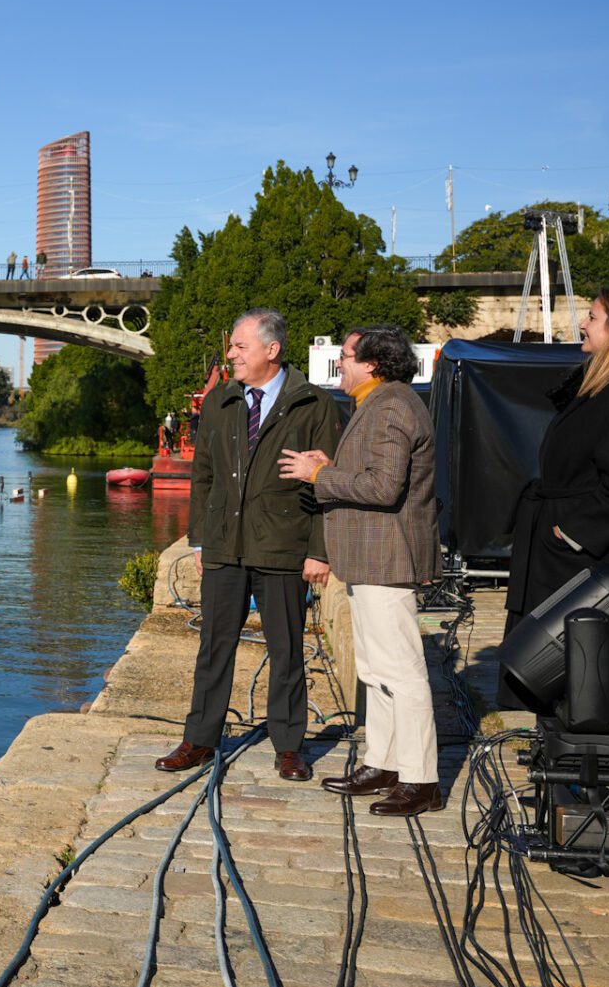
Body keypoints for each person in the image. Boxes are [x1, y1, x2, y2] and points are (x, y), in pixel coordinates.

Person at [157, 309, 340, 781]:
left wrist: (319, 550)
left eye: (240, 346)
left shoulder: (312, 404)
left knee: (286, 650)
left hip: (283, 544)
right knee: (214, 648)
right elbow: (205, 476)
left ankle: (288, 747)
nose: (231, 354)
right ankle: (198, 739)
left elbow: (328, 482)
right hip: (223, 546)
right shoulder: (220, 400)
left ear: (271, 350)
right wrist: (200, 539)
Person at [499, 282, 609, 730]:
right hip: (566, 551)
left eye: (593, 317)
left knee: (591, 657)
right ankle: (566, 755)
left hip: (590, 555)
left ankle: (601, 764)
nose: (581, 323)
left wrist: (572, 531)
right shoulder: (606, 383)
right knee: (563, 661)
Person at [278, 326, 442, 816]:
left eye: (346, 357)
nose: (339, 364)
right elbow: (375, 472)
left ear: (372, 363)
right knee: (375, 669)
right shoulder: (380, 401)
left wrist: (320, 476)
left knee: (402, 672)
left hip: (387, 556)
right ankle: (384, 762)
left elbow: (384, 488)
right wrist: (333, 463)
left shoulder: (391, 405)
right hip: (371, 555)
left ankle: (420, 778)